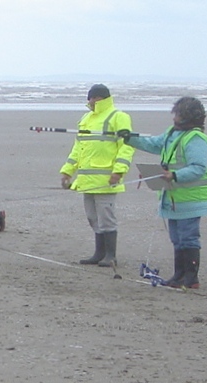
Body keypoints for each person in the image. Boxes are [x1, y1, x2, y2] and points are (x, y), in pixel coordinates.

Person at [120, 97, 207, 289]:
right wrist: (129, 138)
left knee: (188, 238)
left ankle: (191, 278)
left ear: (188, 117)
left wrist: (174, 175)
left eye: (178, 114)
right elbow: (153, 144)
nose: (174, 118)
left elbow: (198, 168)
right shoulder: (172, 133)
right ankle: (179, 275)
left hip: (191, 198)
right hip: (173, 197)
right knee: (176, 238)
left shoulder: (196, 138)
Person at [59, 84, 133, 267]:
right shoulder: (86, 118)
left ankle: (111, 255)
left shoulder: (119, 117)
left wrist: (119, 171)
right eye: (89, 98)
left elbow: (126, 146)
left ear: (102, 98)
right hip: (86, 179)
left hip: (106, 179)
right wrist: (67, 171)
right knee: (93, 217)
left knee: (106, 218)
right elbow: (78, 148)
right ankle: (99, 253)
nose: (90, 101)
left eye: (93, 98)